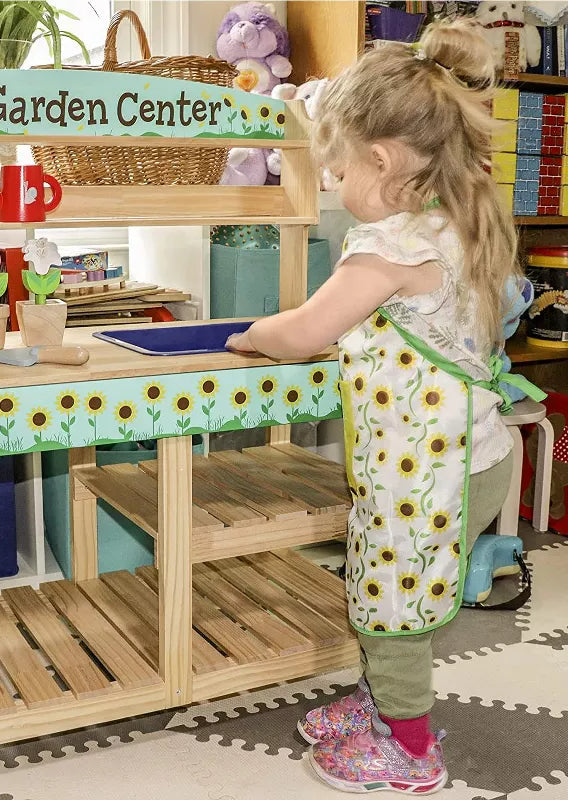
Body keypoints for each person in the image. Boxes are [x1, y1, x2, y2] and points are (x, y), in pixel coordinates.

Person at [226, 18, 543, 795]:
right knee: (395, 584)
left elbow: (306, 331)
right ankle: (379, 707)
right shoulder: (461, 221)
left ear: (381, 158)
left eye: (335, 172)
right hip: (471, 460)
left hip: (428, 472)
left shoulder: (389, 245)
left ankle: (406, 748)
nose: (331, 187)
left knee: (388, 603)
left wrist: (248, 335)